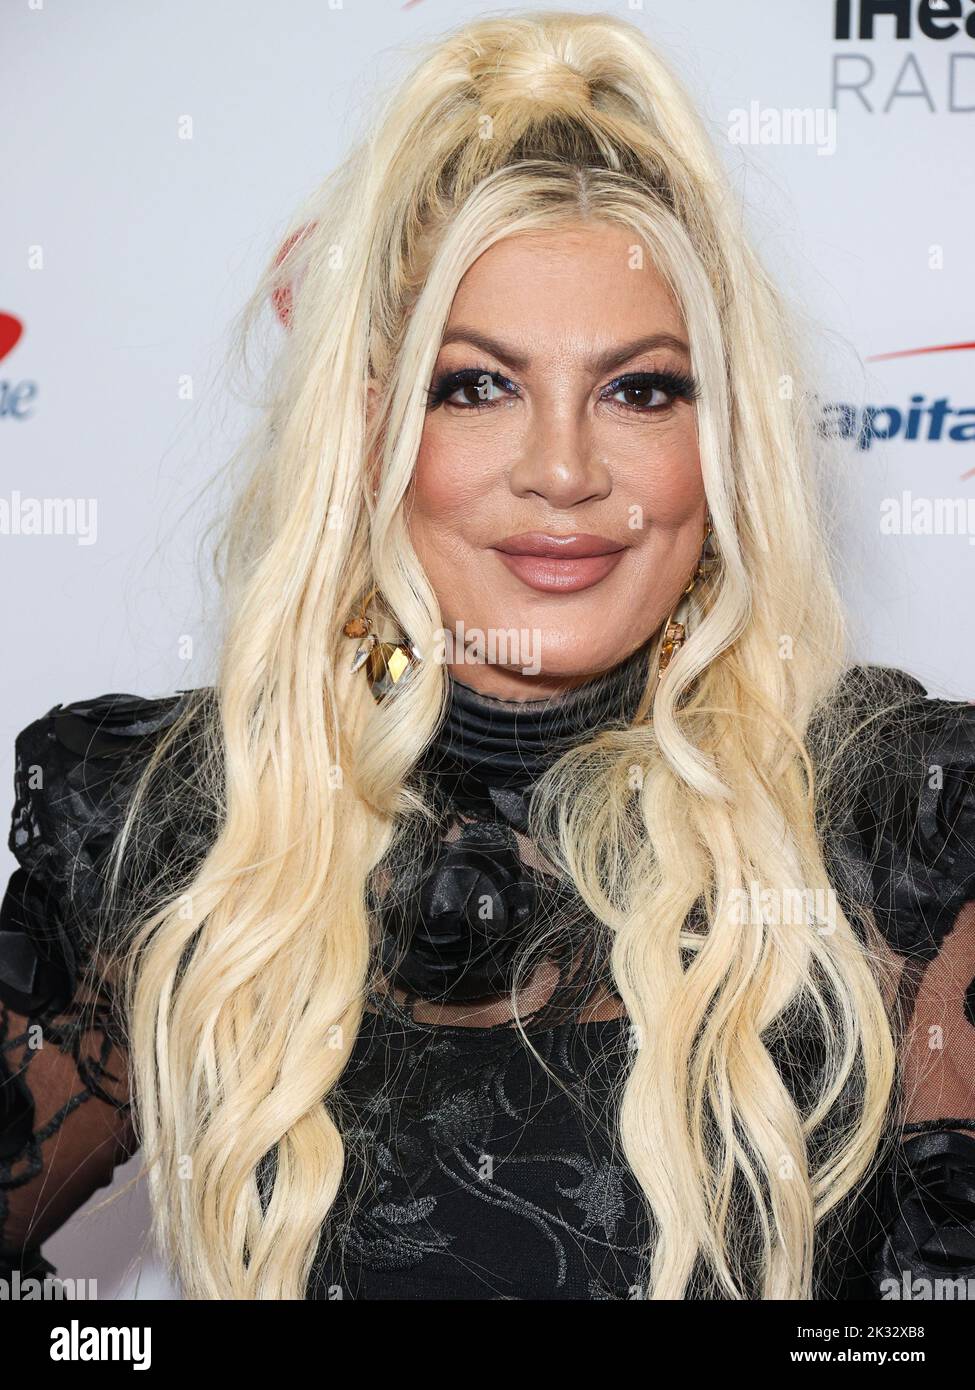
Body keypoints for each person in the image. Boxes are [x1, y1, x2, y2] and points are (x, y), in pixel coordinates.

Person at [1, 10, 973, 1302]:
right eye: (476, 385)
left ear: (725, 438)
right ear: (370, 431)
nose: (564, 470)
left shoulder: (894, 821)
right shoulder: (178, 819)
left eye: (641, 389)